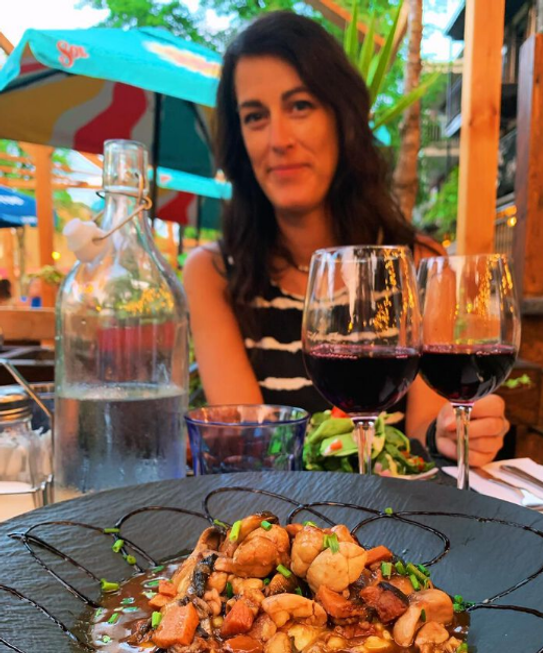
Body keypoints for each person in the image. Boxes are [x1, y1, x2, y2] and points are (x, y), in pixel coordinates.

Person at [184, 12, 509, 467]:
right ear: (240, 140)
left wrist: (451, 435)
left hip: (392, 505)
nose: (279, 139)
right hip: (277, 506)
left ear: (343, 119)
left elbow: (423, 434)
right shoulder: (212, 272)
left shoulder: (419, 262)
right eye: (255, 116)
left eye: (300, 106)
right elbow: (254, 444)